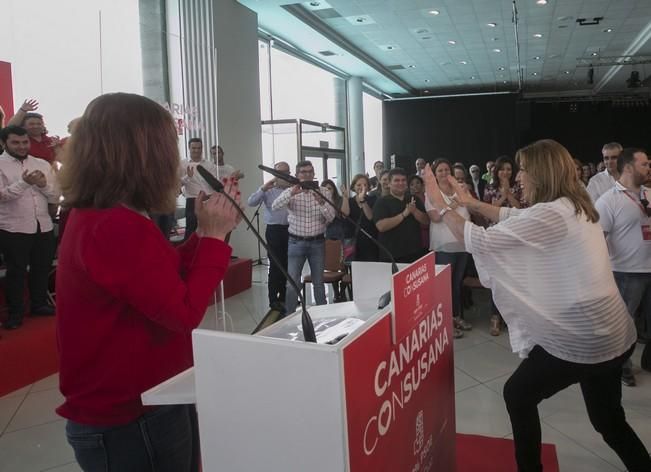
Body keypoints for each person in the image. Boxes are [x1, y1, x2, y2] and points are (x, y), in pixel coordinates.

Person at [423, 138, 651, 472]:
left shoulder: (552, 213)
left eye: (525, 171)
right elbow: (515, 214)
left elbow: (480, 241)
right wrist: (470, 201)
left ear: (541, 175)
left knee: (518, 394)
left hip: (585, 335)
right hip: (613, 334)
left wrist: (441, 203)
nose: (519, 178)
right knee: (608, 420)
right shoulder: (577, 202)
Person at [56, 92, 240, 472]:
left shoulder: (110, 214)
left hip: (151, 397)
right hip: (132, 414)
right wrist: (211, 239)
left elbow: (162, 276)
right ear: (142, 153)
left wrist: (211, 231)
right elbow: (183, 311)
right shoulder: (114, 225)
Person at [595, 147, 651, 387]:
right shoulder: (609, 200)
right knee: (624, 325)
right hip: (627, 273)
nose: (649, 168)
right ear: (628, 167)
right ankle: (623, 367)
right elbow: (598, 239)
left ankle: (648, 361)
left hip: (649, 269)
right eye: (644, 164)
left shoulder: (649, 193)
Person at [0, 125, 58, 329]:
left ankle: (39, 304)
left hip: (43, 224)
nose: (22, 146)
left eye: (25, 142)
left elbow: (54, 196)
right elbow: (2, 197)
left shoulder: (41, 163)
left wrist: (42, 185)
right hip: (13, 227)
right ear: (4, 143)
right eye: (16, 142)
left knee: (41, 268)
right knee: (16, 272)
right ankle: (15, 313)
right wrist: (24, 183)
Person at [271, 160, 335, 314]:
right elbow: (275, 206)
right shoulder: (291, 191)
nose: (307, 175)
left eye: (310, 172)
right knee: (291, 283)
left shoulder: (324, 192)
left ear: (314, 174)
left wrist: (321, 203)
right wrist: (291, 194)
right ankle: (289, 317)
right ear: (297, 175)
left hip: (317, 243)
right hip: (295, 243)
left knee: (319, 283)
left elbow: (331, 217)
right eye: (303, 172)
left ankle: (323, 317)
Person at [425, 159, 471, 339]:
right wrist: (453, 204)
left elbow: (470, 207)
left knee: (457, 283)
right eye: (440, 171)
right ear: (435, 175)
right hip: (444, 245)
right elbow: (436, 217)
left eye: (446, 170)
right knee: (445, 286)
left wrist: (463, 197)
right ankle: (445, 323)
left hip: (463, 242)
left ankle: (457, 317)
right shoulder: (431, 193)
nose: (444, 173)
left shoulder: (460, 189)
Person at [247, 161, 292, 310]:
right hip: (274, 231)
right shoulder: (268, 190)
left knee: (288, 265)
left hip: (291, 230)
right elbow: (251, 202)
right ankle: (273, 299)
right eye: (280, 173)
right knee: (275, 265)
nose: (284, 175)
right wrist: (263, 188)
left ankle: (285, 297)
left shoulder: (293, 189)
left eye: (286, 172)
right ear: (274, 174)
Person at [373, 168, 429, 263]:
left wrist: (414, 211)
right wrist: (404, 214)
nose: (400, 183)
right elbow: (381, 226)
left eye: (403, 180)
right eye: (396, 180)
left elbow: (426, 221)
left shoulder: (413, 198)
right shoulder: (381, 202)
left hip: (415, 253)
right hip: (391, 256)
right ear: (389, 184)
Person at [180, 138, 219, 240]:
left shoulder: (209, 164)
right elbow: (178, 184)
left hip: (207, 200)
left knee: (208, 230)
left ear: (202, 148)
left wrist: (210, 196)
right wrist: (187, 177)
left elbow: (214, 183)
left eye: (199, 148)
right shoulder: (183, 164)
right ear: (189, 148)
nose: (196, 150)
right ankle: (189, 255)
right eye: (193, 148)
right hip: (192, 199)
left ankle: (205, 254)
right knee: (191, 230)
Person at [340, 174, 378, 261]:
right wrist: (345, 198)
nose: (362, 187)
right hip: (353, 241)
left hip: (369, 241)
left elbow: (370, 217)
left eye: (365, 185)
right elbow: (344, 214)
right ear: (353, 186)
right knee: (354, 269)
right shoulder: (350, 201)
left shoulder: (373, 199)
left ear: (368, 187)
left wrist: (363, 200)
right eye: (359, 185)